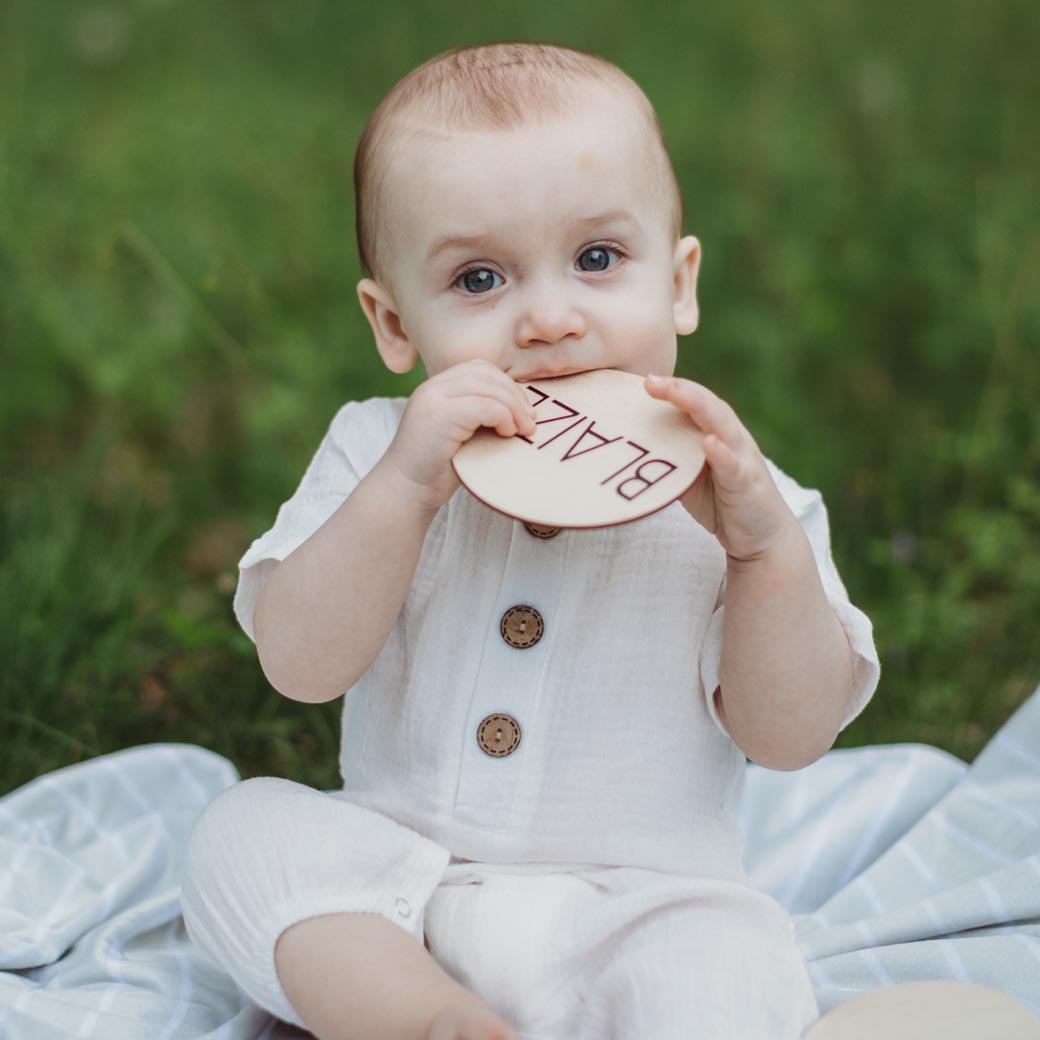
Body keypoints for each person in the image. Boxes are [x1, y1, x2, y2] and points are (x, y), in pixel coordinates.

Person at [180, 40, 881, 1040]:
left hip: (637, 908)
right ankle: (429, 1020)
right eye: (477, 278)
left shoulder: (745, 504)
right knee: (238, 836)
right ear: (392, 322)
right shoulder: (378, 449)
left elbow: (790, 734)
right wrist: (404, 491)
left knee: (736, 958)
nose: (548, 319)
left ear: (677, 284)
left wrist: (762, 556)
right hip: (397, 890)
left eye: (597, 260)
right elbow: (298, 663)